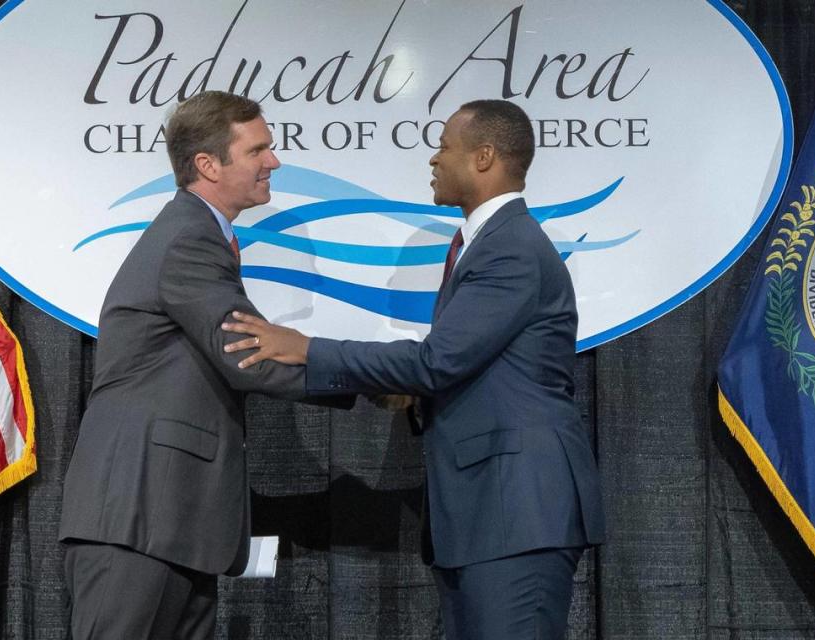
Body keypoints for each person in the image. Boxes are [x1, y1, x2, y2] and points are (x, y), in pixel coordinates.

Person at [222, 100, 605, 640]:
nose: (434, 158)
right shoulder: (488, 245)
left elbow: (438, 362)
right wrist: (410, 393)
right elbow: (468, 369)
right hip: (486, 514)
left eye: (445, 146)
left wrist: (306, 347)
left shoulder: (511, 250)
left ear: (484, 157)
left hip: (518, 511)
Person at [58, 91, 345, 639]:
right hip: (139, 517)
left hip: (174, 520)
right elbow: (249, 356)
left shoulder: (198, 233)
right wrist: (379, 376)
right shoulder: (189, 237)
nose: (274, 162)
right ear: (208, 165)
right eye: (258, 149)